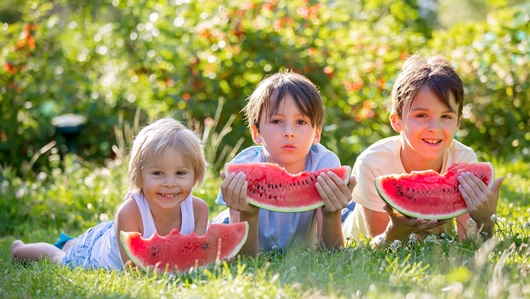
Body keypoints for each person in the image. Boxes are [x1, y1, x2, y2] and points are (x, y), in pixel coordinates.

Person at [341, 54, 505, 245]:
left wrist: (486, 220)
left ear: (458, 123)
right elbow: (378, 246)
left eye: (446, 116)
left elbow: (469, 244)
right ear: (397, 120)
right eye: (421, 115)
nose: (435, 127)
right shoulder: (373, 163)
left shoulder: (463, 159)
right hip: (354, 228)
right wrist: (396, 232)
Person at [11, 118, 209, 269]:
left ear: (195, 176)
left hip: (108, 236)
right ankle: (18, 249)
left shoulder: (199, 210)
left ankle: (71, 242)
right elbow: (133, 270)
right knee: (61, 259)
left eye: (181, 173)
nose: (169, 183)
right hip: (97, 254)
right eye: (157, 173)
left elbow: (196, 259)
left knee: (73, 244)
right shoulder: (130, 212)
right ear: (138, 176)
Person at [211, 71, 356, 256]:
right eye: (277, 121)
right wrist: (247, 213)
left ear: (317, 134)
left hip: (305, 249)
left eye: (301, 121)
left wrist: (331, 214)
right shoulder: (242, 167)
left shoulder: (324, 163)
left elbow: (331, 254)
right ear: (256, 132)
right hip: (243, 237)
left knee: (351, 210)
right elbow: (243, 259)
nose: (289, 132)